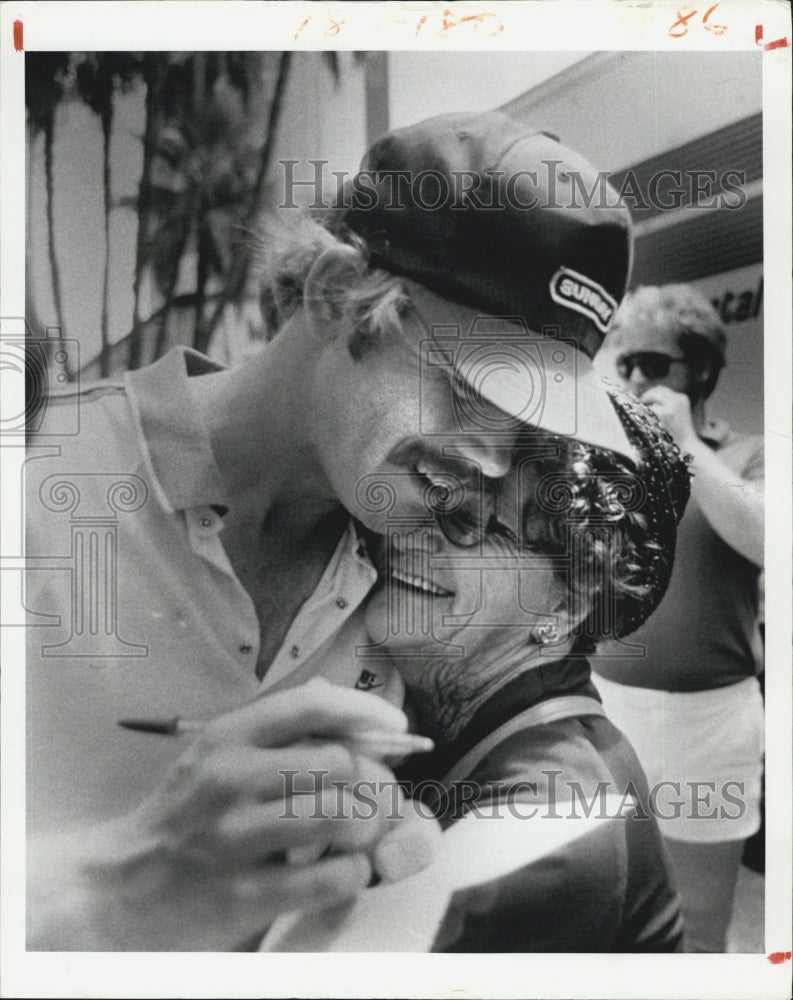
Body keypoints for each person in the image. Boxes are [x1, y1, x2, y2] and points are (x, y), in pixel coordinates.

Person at [25, 110, 635, 950]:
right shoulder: (35, 480)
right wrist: (123, 885)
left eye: (526, 426)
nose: (493, 464)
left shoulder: (418, 575)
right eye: (467, 389)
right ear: (335, 296)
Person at [362, 386, 691, 952]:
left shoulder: (542, 827)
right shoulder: (488, 712)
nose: (415, 529)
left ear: (567, 604)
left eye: (467, 519)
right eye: (435, 493)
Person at [590, 284, 765, 952]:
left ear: (697, 371)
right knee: (609, 901)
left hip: (708, 726)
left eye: (653, 365)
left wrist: (685, 443)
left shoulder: (747, 455)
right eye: (625, 363)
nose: (636, 377)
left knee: (697, 925)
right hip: (611, 711)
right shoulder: (609, 462)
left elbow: (766, 538)